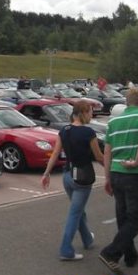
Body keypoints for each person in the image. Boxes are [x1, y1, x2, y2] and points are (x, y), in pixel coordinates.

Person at [99, 88, 138, 275]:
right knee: (136, 216)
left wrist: (107, 178)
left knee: (123, 217)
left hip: (115, 172)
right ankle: (111, 253)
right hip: (134, 173)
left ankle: (131, 256)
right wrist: (137, 161)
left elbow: (107, 151)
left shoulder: (113, 121)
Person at [42, 101, 104, 260]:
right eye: (90, 112)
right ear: (83, 112)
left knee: (78, 210)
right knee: (75, 213)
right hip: (82, 178)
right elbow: (98, 157)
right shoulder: (89, 133)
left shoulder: (65, 130)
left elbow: (55, 154)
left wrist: (47, 173)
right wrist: (110, 171)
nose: (92, 115)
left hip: (67, 177)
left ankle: (87, 239)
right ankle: (66, 250)